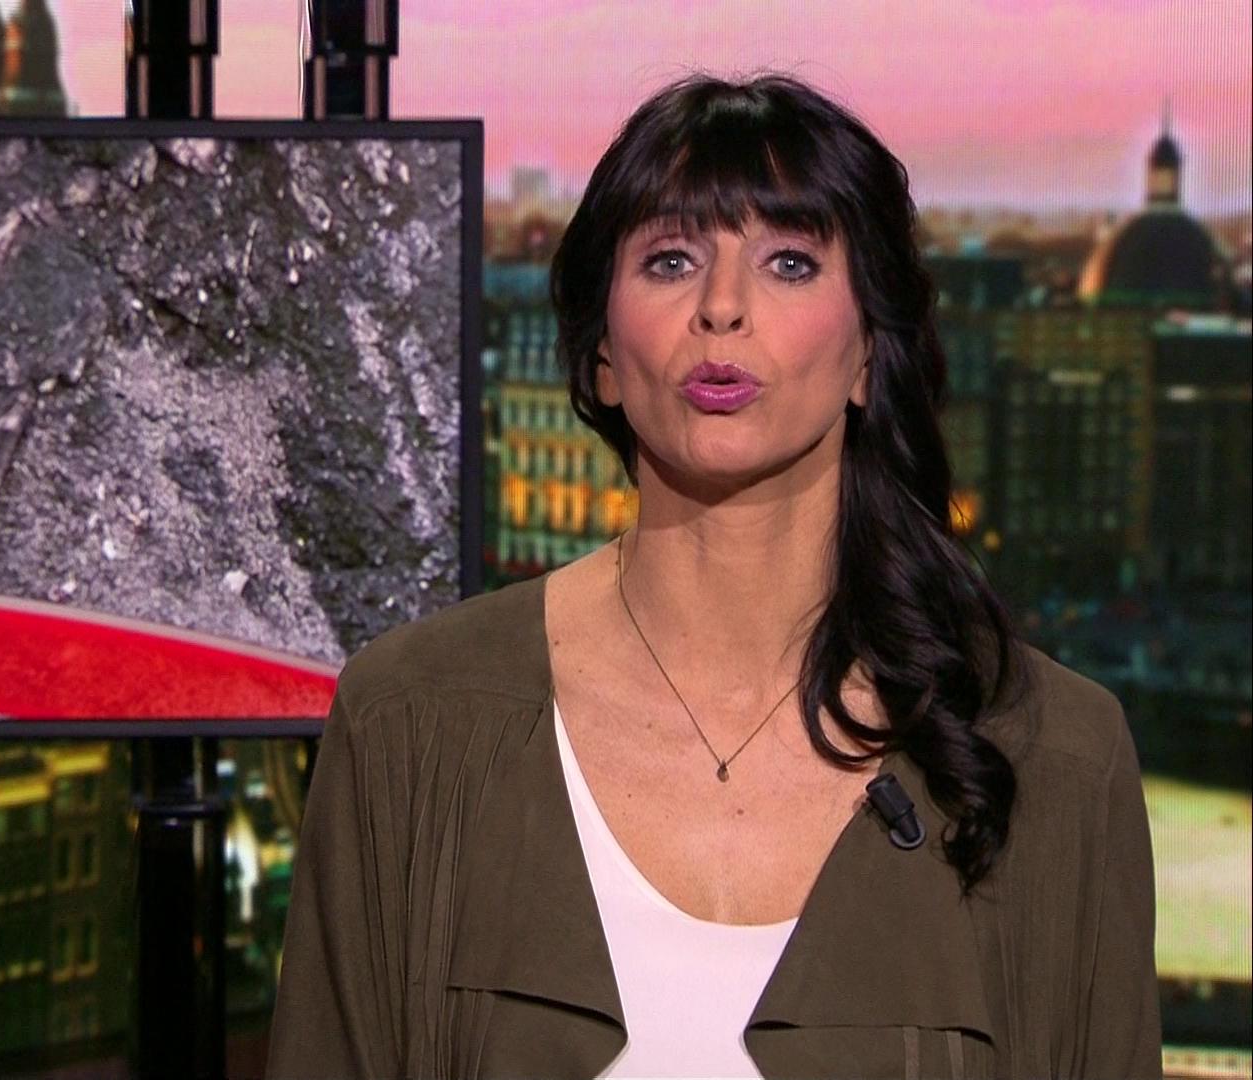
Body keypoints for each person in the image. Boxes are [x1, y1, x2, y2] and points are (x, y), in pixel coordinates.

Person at [264, 72, 1160, 1080]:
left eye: (789, 262)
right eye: (672, 260)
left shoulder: (1055, 757)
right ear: (603, 354)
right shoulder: (409, 722)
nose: (722, 309)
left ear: (871, 353)